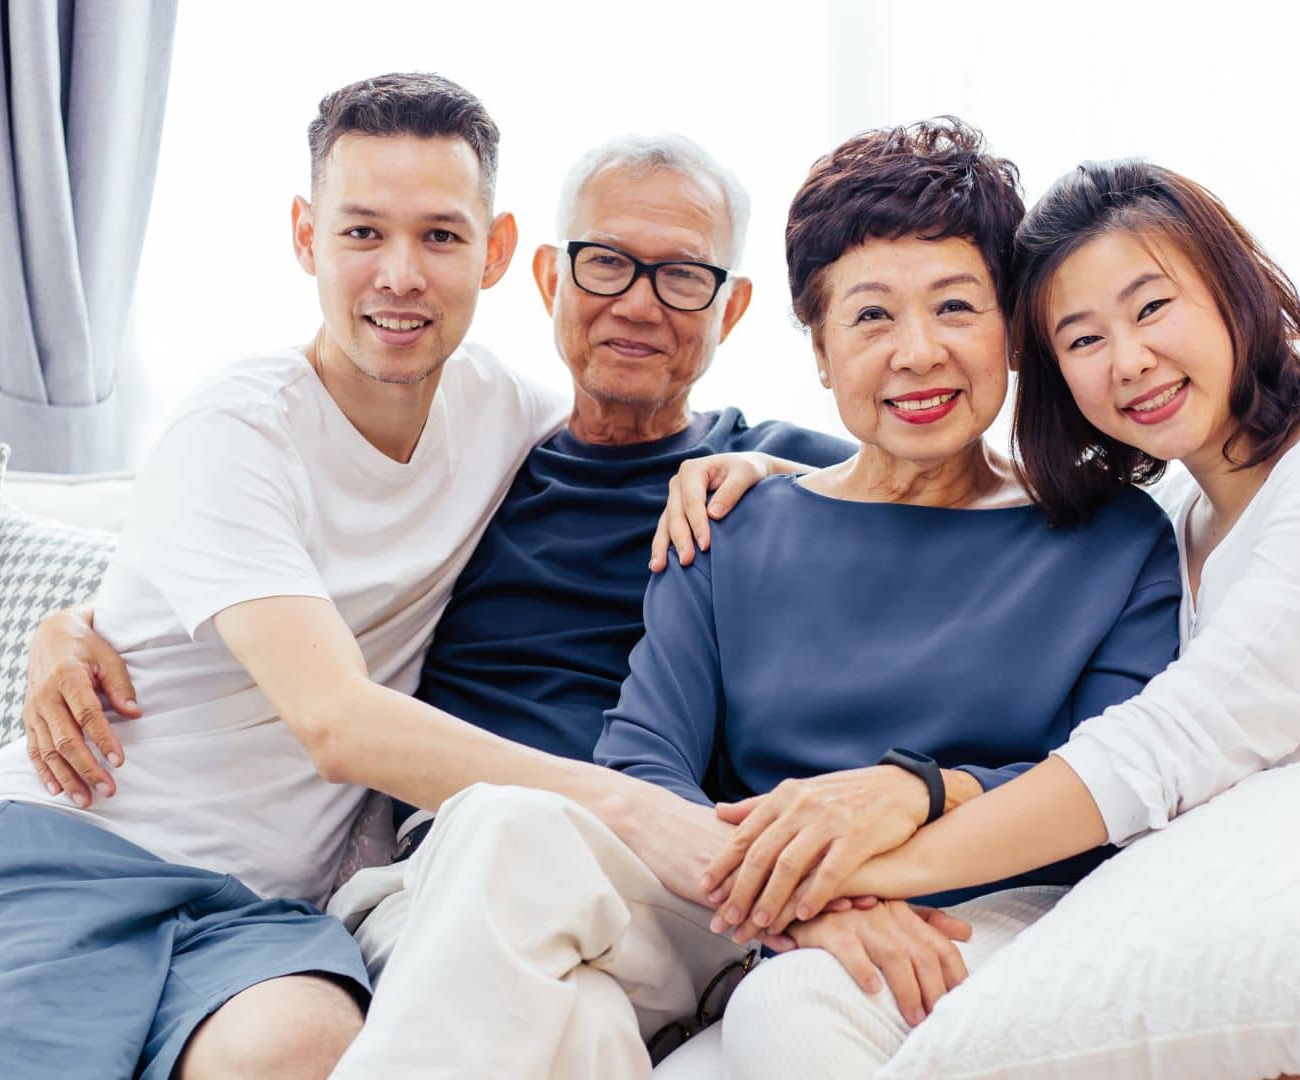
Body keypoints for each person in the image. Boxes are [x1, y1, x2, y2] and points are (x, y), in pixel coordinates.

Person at [688, 158, 1300, 1079]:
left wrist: (850, 871)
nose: (1130, 361)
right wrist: (782, 477)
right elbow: (920, 472)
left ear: (1232, 294)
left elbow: (1165, 747)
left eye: (1152, 307)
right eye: (1082, 340)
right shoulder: (1176, 518)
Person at [0, 72, 682, 1080]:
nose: (400, 275)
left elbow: (655, 435)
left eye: (441, 237)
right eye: (363, 232)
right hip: (64, 852)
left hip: (258, 914)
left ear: (496, 252)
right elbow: (334, 721)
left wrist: (753, 469)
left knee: (303, 1051)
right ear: (306, 236)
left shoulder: (509, 413)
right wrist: (628, 809)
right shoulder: (236, 429)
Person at [334, 117, 1183, 1080]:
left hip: (974, 912)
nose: (916, 353)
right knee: (500, 824)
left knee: (664, 1025)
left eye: (955, 308)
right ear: (818, 351)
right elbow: (643, 761)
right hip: (732, 905)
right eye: (869, 317)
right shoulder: (730, 521)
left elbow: (1106, 786)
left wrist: (901, 817)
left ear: (1012, 330)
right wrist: (799, 899)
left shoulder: (1116, 540)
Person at [15, 133, 851, 1074]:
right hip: (427, 872)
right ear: (546, 278)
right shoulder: (492, 448)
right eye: (606, 263)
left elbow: (980, 493)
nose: (636, 304)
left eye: (681, 277)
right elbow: (245, 560)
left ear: (732, 307)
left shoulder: (777, 472)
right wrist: (69, 622)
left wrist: (775, 472)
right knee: (579, 1026)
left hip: (651, 867)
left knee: (510, 826)